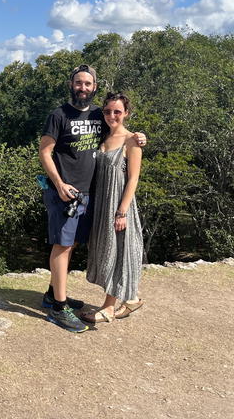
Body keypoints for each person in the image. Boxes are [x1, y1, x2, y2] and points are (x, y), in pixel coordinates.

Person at [39, 67, 146, 332]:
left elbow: (118, 127)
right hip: (66, 191)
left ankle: (53, 294)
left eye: (88, 83)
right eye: (78, 83)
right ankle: (59, 308)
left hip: (89, 194)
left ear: (95, 86)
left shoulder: (100, 114)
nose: (83, 88)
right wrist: (59, 183)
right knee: (62, 245)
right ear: (70, 84)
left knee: (72, 242)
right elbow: (44, 152)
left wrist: (139, 136)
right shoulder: (58, 115)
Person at [82, 92, 144, 324]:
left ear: (126, 113)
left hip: (119, 205)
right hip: (102, 204)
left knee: (118, 253)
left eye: (117, 111)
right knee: (107, 251)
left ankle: (108, 307)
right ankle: (132, 298)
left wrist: (122, 211)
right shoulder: (103, 138)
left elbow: (133, 179)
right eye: (107, 111)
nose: (111, 115)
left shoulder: (132, 140)